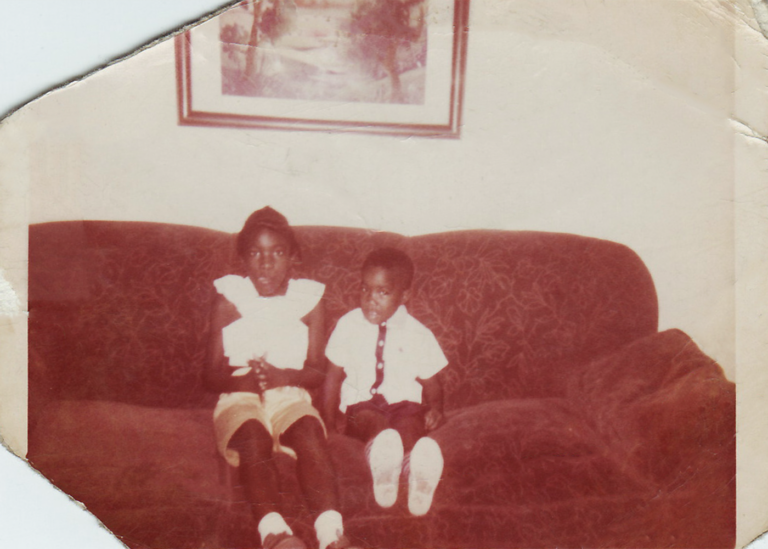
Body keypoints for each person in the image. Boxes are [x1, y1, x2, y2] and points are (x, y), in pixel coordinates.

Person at [206, 207, 354, 549]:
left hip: (291, 393)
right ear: (243, 257)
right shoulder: (229, 297)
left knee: (309, 432)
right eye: (256, 253)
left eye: (277, 253)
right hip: (239, 396)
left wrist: (280, 376)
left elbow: (317, 371)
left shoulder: (310, 300)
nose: (266, 263)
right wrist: (245, 382)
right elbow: (209, 375)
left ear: (292, 258)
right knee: (253, 438)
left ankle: (332, 535)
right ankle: (275, 534)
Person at [324, 247, 448, 517]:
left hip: (404, 405)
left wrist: (436, 408)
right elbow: (332, 377)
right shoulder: (348, 325)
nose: (370, 300)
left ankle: (416, 476)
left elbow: (432, 382)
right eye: (365, 289)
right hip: (361, 408)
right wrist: (329, 421)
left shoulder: (418, 333)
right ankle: (383, 466)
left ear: (404, 296)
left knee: (410, 426)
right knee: (373, 421)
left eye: (383, 292)